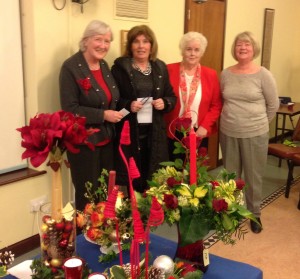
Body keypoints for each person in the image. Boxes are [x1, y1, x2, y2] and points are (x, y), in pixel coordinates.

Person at [59, 20, 123, 211]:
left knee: (105, 191)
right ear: (86, 40)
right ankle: (85, 238)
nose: (103, 45)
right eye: (98, 40)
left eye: (107, 41)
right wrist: (103, 115)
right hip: (84, 143)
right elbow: (70, 109)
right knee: (87, 195)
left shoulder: (103, 65)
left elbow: (111, 97)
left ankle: (102, 234)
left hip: (107, 140)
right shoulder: (71, 67)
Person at [219, 31, 280, 233]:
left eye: (247, 44)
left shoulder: (263, 74)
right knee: (231, 177)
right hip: (228, 131)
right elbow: (222, 100)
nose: (242, 48)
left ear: (254, 49)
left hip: (255, 133)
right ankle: (232, 212)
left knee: (253, 177)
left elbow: (273, 104)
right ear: (234, 49)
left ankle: (255, 214)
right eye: (239, 44)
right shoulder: (226, 73)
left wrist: (258, 123)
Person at [111, 25, 176, 194]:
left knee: (152, 176)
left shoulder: (160, 67)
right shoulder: (119, 68)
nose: (141, 46)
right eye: (136, 42)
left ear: (151, 45)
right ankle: (132, 213)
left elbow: (171, 97)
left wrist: (165, 102)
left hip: (154, 133)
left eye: (145, 41)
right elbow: (113, 100)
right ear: (130, 46)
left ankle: (149, 214)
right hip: (130, 132)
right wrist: (128, 105)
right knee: (132, 177)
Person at [165, 32, 222, 161]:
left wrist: (204, 127)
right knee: (173, 170)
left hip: (198, 131)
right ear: (182, 51)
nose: (192, 53)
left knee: (195, 171)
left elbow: (216, 105)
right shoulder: (169, 70)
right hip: (173, 130)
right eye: (188, 49)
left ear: (201, 52)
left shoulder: (210, 74)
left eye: (197, 50)